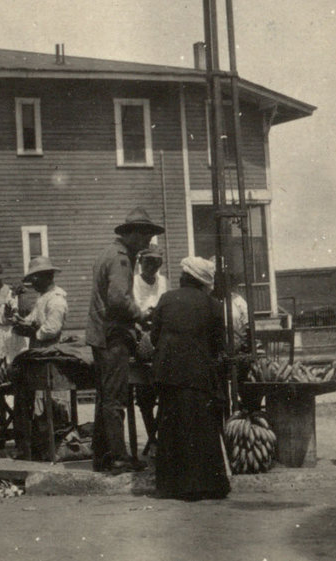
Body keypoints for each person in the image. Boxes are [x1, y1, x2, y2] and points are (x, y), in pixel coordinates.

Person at [87, 206, 164, 474]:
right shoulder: (121, 259)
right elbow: (118, 299)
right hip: (113, 337)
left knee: (106, 397)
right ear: (131, 234)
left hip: (103, 335)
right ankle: (118, 457)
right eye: (144, 236)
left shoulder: (111, 254)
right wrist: (141, 316)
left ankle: (103, 455)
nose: (147, 243)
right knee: (115, 398)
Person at [149, 255, 229, 501]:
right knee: (201, 428)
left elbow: (153, 337)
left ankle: (171, 486)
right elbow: (219, 344)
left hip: (168, 373)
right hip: (198, 375)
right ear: (202, 281)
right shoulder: (213, 305)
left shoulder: (165, 299)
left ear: (184, 278)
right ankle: (207, 485)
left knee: (172, 427)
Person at [12, 256, 68, 458]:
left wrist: (34, 330)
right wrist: (22, 322)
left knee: (49, 402)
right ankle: (30, 443)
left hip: (49, 353)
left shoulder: (56, 299)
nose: (32, 283)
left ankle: (49, 443)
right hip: (38, 352)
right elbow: (33, 319)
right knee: (27, 396)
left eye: (35, 278)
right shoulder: (42, 297)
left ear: (46, 277)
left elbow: (51, 329)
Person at [132, 244, 169, 454]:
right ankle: (153, 437)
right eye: (148, 262)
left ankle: (161, 435)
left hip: (161, 335)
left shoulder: (163, 282)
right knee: (144, 394)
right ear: (141, 263)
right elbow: (132, 311)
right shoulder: (134, 283)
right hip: (141, 335)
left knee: (165, 390)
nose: (152, 266)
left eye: (156, 262)